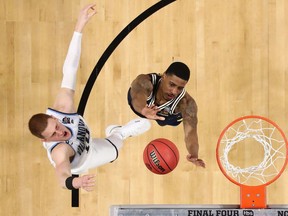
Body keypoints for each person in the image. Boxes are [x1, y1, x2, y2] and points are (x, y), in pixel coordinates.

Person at [28, 3, 151, 192]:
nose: (60, 133)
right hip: (85, 157)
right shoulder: (60, 151)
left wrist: (79, 27)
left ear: (54, 118)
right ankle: (119, 133)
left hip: (85, 142)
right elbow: (61, 173)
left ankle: (117, 131)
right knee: (115, 153)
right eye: (53, 135)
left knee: (115, 145)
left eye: (56, 127)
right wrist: (73, 182)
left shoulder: (63, 108)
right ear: (46, 141)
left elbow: (69, 68)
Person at [127, 62, 205, 168]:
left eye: (180, 88)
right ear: (163, 76)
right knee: (133, 97)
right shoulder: (145, 81)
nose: (174, 91)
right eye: (172, 84)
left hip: (168, 116)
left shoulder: (186, 103)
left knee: (167, 121)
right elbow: (137, 95)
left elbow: (190, 133)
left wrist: (194, 154)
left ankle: (158, 117)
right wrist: (143, 110)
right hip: (143, 107)